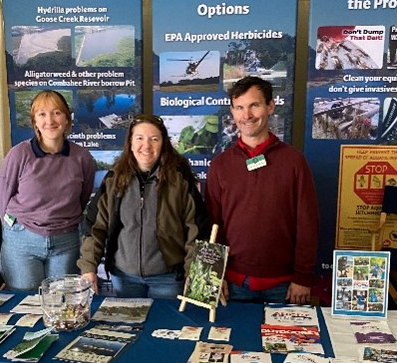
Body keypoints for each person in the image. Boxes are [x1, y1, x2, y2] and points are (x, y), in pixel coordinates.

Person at [205, 76, 319, 305]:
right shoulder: (220, 165)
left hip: (285, 287)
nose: (246, 115)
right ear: (233, 111)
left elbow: (308, 224)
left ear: (270, 106)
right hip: (232, 286)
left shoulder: (294, 162)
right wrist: (213, 274)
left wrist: (302, 278)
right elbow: (211, 225)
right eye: (239, 107)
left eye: (254, 105)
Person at [78, 114, 209, 298]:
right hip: (124, 278)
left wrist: (193, 271)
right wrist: (88, 267)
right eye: (139, 138)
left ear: (163, 143)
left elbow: (197, 230)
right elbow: (95, 227)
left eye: (154, 139)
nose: (146, 146)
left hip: (168, 279)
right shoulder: (114, 179)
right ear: (130, 143)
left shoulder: (180, 179)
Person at [0, 89, 95, 290]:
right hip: (22, 240)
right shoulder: (19, 155)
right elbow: (3, 197)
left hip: (66, 241)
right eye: (42, 114)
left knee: (63, 304)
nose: (50, 120)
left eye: (56, 112)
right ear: (35, 122)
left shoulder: (82, 157)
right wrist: (13, 230)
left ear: (67, 119)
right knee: (25, 304)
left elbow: (82, 198)